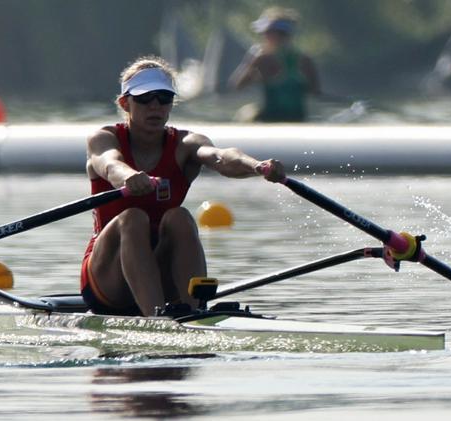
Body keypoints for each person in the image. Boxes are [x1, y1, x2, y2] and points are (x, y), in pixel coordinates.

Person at [81, 56, 285, 317]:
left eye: (163, 98)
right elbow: (110, 164)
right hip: (107, 281)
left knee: (180, 217)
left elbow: (220, 157)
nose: (155, 106)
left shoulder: (186, 143)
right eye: (144, 99)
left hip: (161, 269)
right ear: (125, 103)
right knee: (132, 218)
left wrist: (257, 166)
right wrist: (129, 176)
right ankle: (157, 318)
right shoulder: (104, 138)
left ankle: (191, 313)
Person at [229, 6, 320, 122]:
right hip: (298, 117)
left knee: (245, 113)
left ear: (274, 34)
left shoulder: (262, 58)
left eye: (265, 33)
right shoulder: (305, 59)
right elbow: (316, 92)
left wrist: (251, 63)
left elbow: (236, 85)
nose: (263, 37)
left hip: (271, 117)